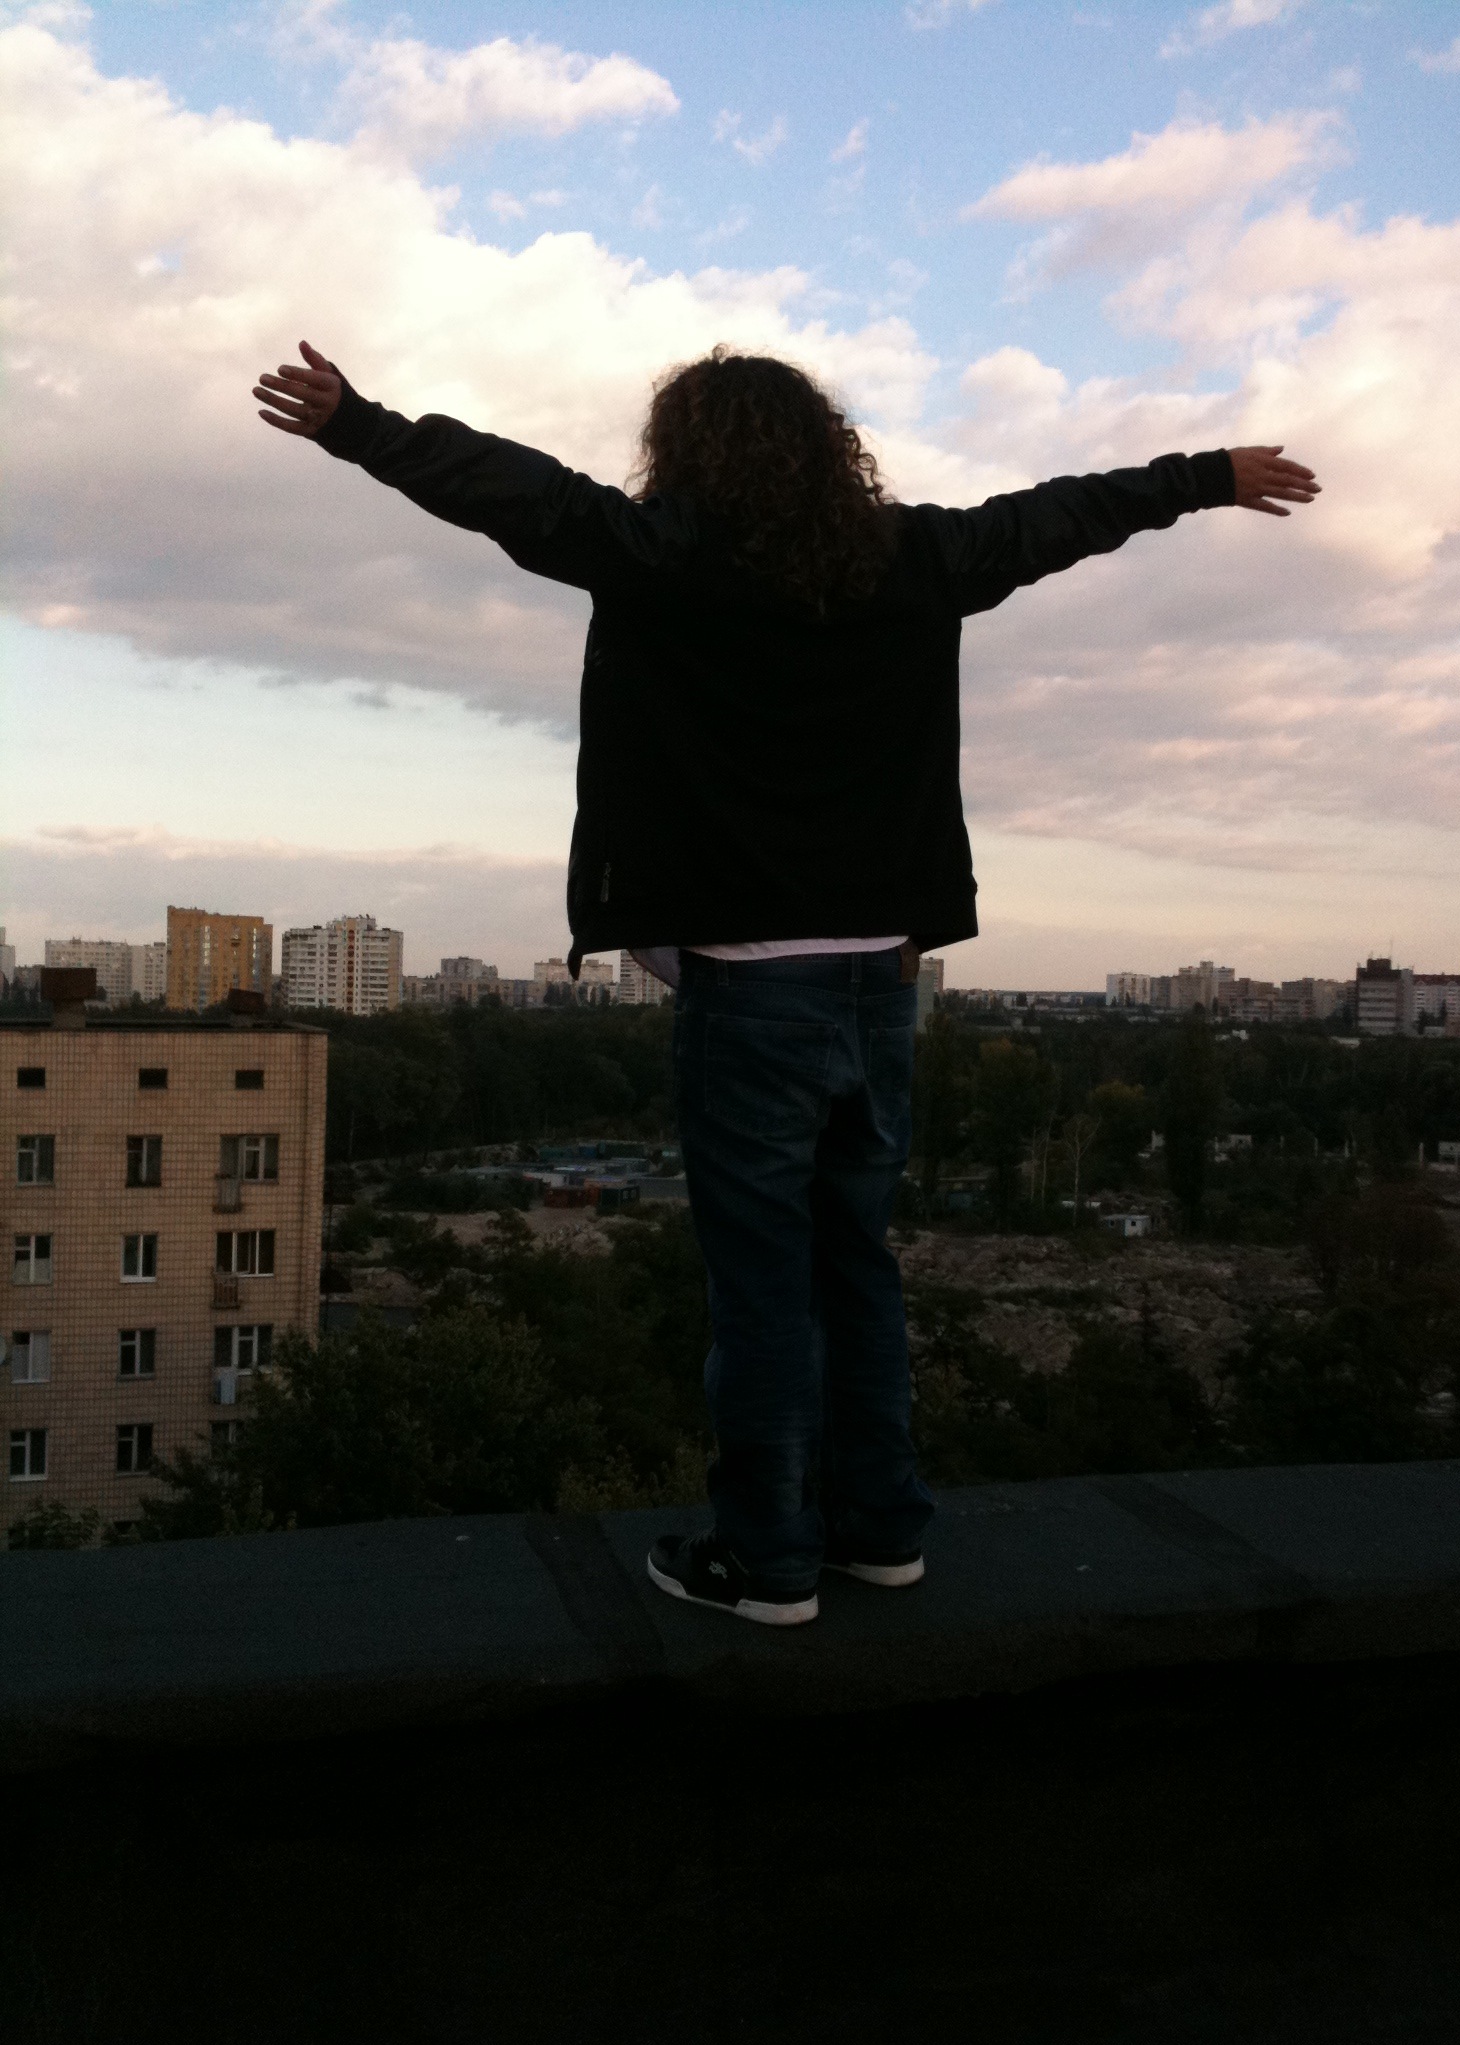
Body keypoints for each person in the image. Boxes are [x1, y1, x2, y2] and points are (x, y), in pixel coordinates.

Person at [253, 339, 1319, 1626]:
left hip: (750, 987)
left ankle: (766, 1560)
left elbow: (517, 492)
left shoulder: (664, 555)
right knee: (854, 1262)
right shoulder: (918, 557)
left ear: (685, 449)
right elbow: (1059, 516)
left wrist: (357, 424)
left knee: (762, 1286)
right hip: (879, 979)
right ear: (826, 448)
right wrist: (1207, 474)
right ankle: (881, 1530)